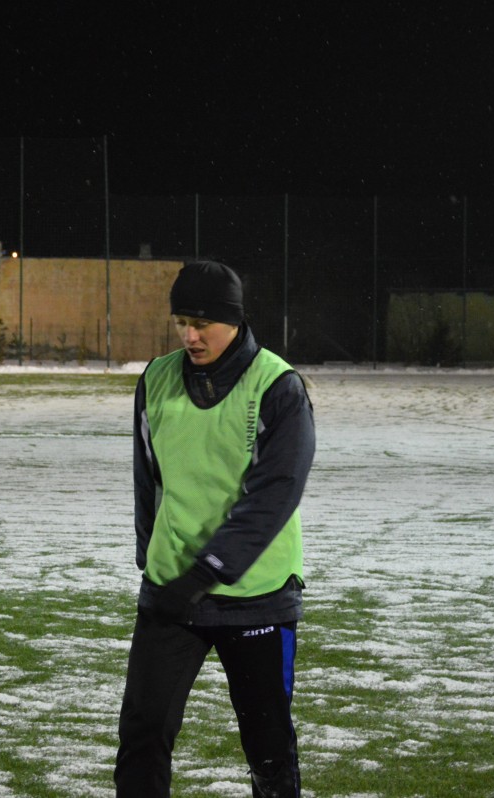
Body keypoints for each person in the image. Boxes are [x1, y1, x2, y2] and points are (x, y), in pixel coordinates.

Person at [115, 261, 316, 797]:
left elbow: (274, 496)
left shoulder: (278, 386)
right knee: (142, 735)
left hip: (256, 596)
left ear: (234, 320)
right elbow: (148, 478)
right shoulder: (156, 378)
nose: (190, 336)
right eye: (181, 322)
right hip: (170, 592)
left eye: (202, 324)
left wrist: (207, 571)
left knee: (268, 747)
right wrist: (150, 558)